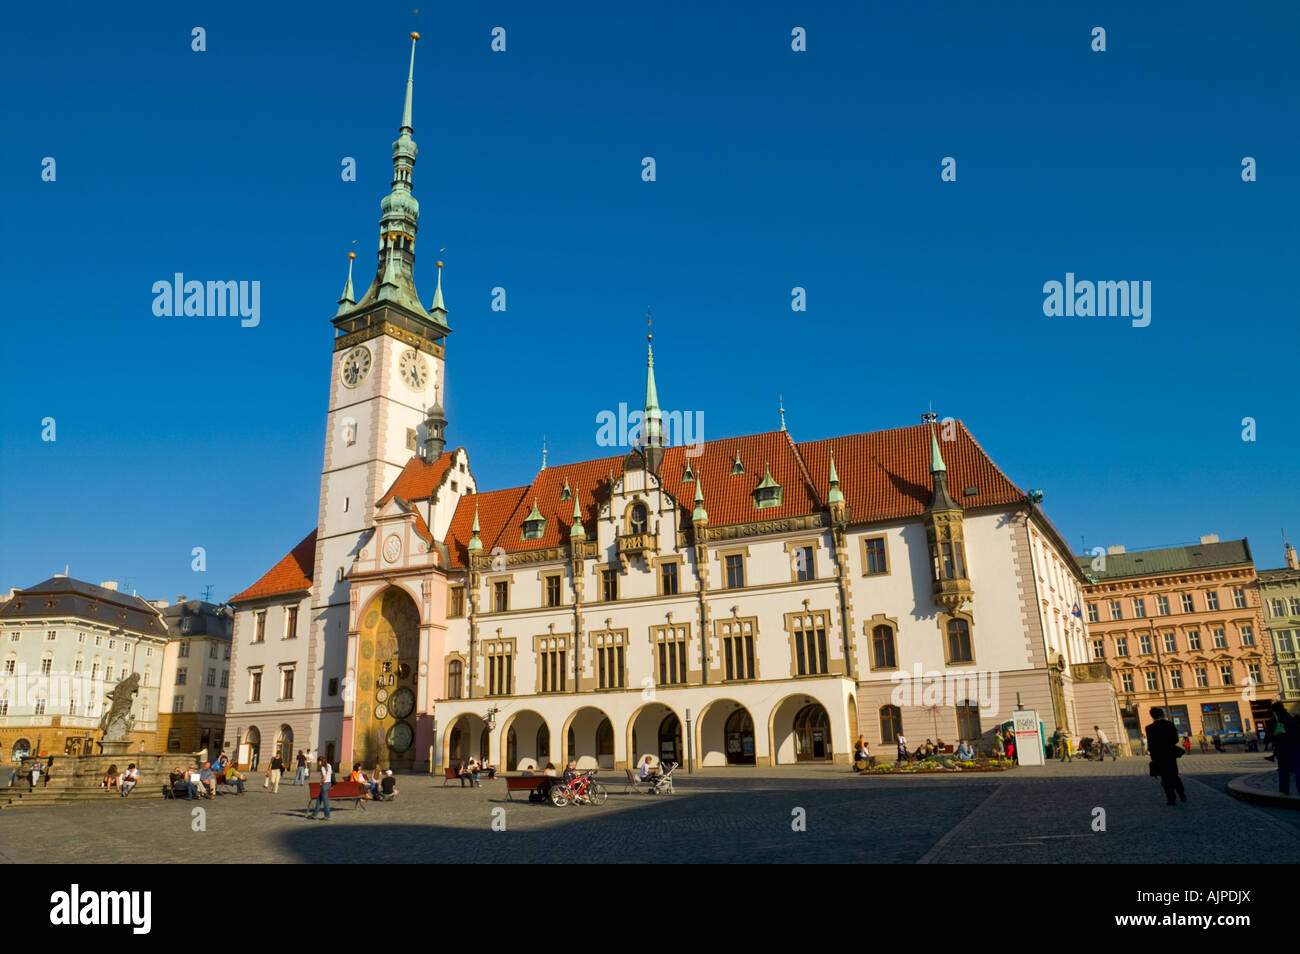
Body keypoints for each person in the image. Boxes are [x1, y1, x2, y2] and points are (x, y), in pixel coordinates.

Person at [1145, 707, 1186, 806]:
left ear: (1152, 716)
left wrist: (1153, 756)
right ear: (1162, 714)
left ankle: (1171, 799)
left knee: (1165, 778)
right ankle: (1181, 794)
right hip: (1170, 755)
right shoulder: (1169, 724)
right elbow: (1176, 740)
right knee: (1174, 775)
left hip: (1158, 756)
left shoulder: (1149, 728)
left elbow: (1150, 744)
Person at [1266, 702, 1300, 795]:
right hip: (1296, 746)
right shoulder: (1292, 718)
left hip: (1282, 747)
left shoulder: (1275, 719)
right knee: (1298, 769)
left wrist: (1269, 742)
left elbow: (1268, 734)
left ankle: (1284, 791)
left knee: (1283, 770)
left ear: (1274, 710)